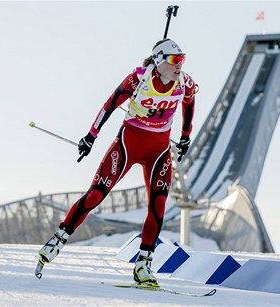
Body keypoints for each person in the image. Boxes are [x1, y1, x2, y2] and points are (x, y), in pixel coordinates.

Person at [38, 38, 198, 287]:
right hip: (128, 143)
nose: (180, 65)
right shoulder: (139, 79)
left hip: (159, 149)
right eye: (175, 60)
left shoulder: (184, 82)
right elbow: (110, 104)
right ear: (158, 61)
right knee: (96, 195)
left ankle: (143, 264)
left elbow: (189, 105)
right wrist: (91, 136)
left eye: (183, 59)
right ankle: (58, 238)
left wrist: (185, 136)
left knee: (158, 204)